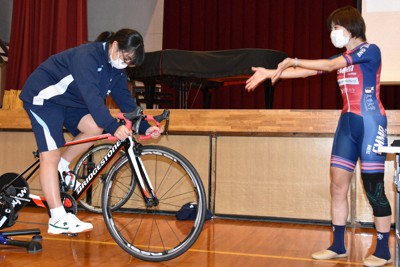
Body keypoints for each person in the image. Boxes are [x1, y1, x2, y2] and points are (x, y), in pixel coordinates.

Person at [245, 6, 391, 267]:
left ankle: (382, 250)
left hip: (370, 123)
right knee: (337, 186)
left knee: (374, 188)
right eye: (332, 29)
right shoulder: (345, 56)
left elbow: (329, 64)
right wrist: (271, 73)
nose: (333, 33)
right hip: (347, 124)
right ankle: (337, 246)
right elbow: (309, 72)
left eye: (336, 28)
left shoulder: (370, 50)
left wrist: (294, 60)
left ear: (351, 27)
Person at [20, 28, 162, 235]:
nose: (125, 64)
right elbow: (93, 100)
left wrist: (145, 126)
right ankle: (58, 218)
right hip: (44, 99)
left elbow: (125, 100)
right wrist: (115, 127)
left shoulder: (116, 68)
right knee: (49, 155)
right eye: (125, 58)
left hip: (70, 101)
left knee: (95, 127)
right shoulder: (86, 57)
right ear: (114, 45)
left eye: (130, 62)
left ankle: (62, 166)